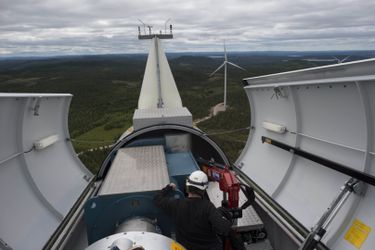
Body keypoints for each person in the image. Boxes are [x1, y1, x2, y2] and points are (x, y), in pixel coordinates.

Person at [154, 170, 232, 250]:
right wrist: (224, 218)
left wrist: (169, 187)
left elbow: (157, 198)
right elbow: (224, 229)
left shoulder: (176, 205)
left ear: (188, 186)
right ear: (203, 190)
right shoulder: (208, 207)